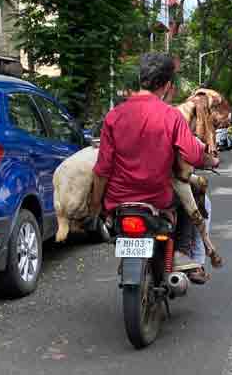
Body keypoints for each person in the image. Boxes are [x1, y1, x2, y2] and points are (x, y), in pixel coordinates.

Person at [90, 52, 219, 275]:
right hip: (158, 199)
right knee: (197, 201)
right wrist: (210, 158)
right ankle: (182, 252)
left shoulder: (114, 116)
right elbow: (192, 154)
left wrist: (95, 205)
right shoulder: (171, 116)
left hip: (119, 201)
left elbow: (102, 169)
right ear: (168, 85)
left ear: (141, 78)